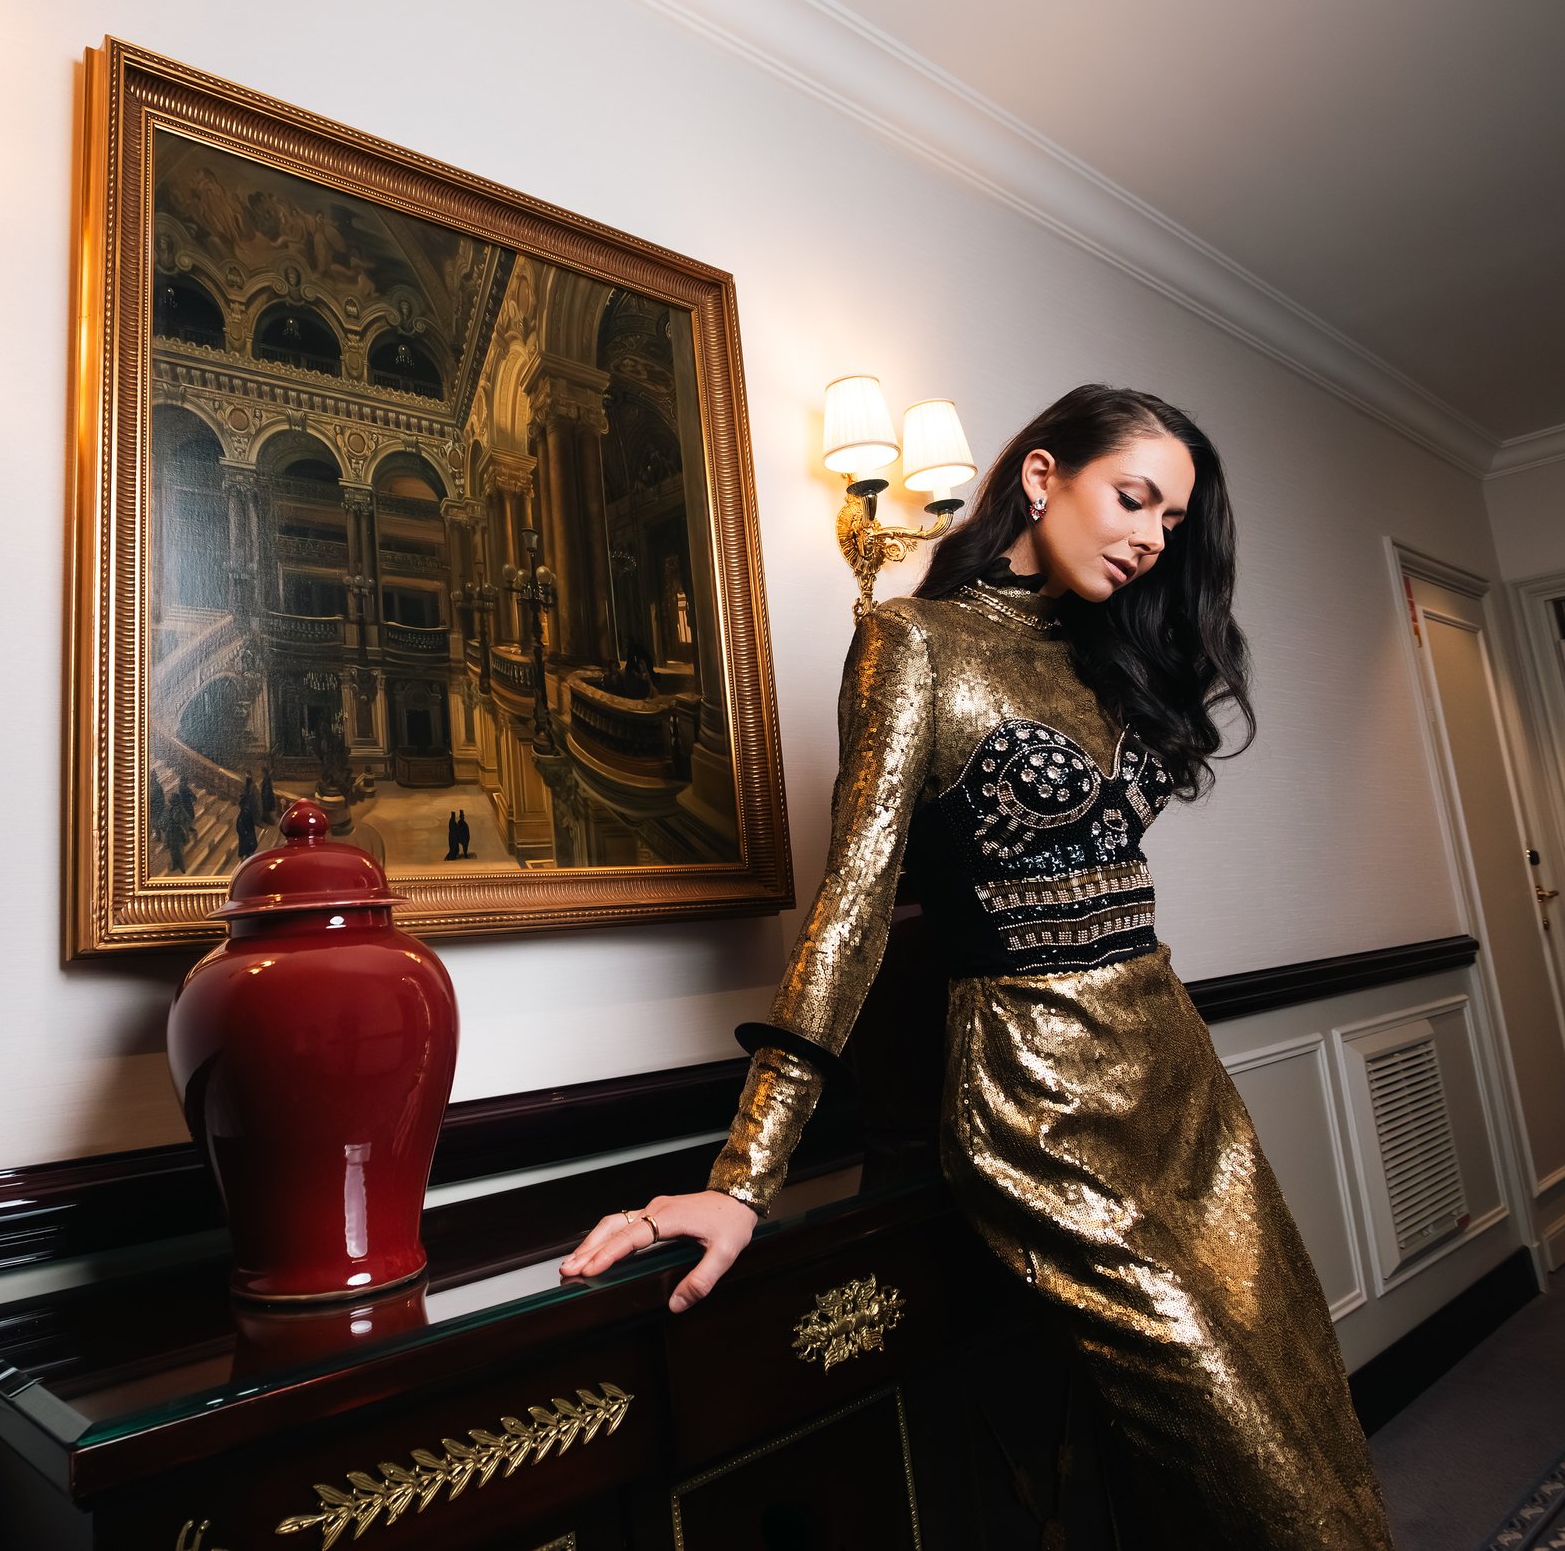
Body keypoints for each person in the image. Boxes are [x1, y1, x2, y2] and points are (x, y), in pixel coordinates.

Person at [560, 386, 1394, 1548]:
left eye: (1174, 519)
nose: (1155, 536)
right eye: (1134, 496)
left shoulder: (1103, 653)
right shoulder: (915, 641)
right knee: (1244, 1458)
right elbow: (851, 905)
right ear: (1043, 476)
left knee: (1299, 1390)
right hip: (1035, 1097)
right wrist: (743, 1175)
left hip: (1177, 1080)